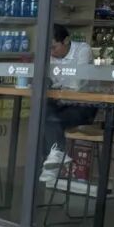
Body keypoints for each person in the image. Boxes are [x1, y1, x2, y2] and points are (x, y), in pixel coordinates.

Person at [40, 23, 95, 186]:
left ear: (66, 41)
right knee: (41, 114)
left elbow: (76, 83)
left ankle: (53, 160)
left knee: (51, 120)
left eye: (54, 47)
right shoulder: (51, 55)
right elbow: (49, 80)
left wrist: (57, 84)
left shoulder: (82, 50)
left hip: (83, 106)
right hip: (61, 103)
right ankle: (54, 158)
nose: (51, 52)